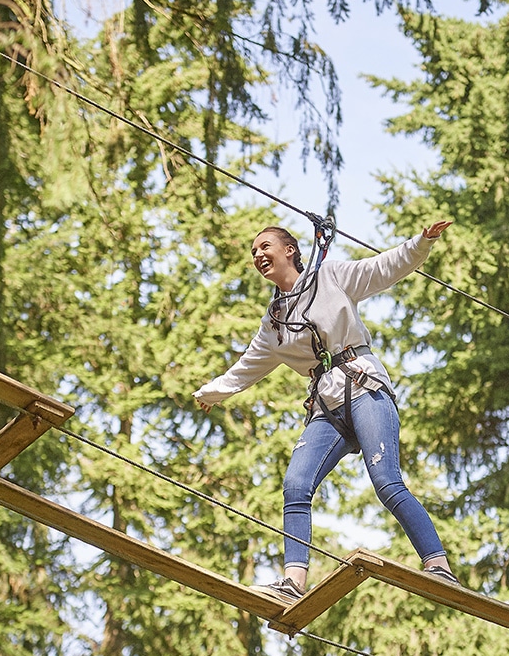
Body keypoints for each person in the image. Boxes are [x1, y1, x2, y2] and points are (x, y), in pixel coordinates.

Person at [194, 220, 458, 602]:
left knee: (386, 481)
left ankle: (438, 567)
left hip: (364, 386)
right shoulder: (275, 322)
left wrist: (421, 242)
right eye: (253, 252)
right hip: (327, 405)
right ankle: (292, 583)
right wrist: (213, 393)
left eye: (265, 246)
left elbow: (382, 268)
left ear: (290, 250)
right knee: (296, 485)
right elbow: (247, 367)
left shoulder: (330, 276)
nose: (258, 255)